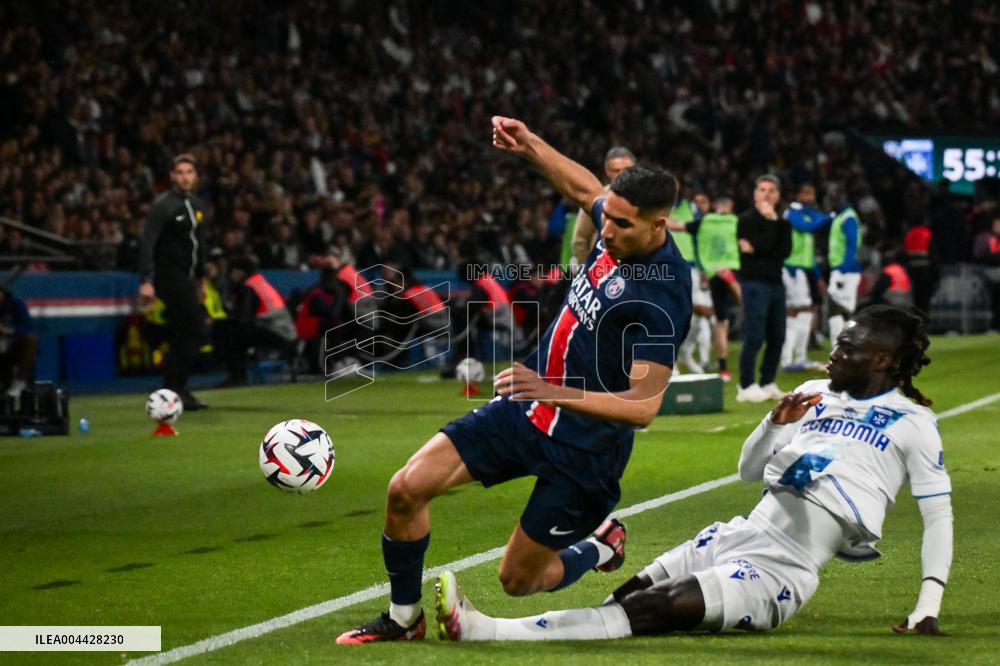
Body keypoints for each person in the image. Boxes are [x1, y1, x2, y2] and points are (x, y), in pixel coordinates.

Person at [336, 116, 692, 644]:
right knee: (405, 490)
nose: (606, 229)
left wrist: (553, 389)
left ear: (659, 224)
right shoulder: (613, 224)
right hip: (525, 409)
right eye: (606, 218)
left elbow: (643, 407)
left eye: (621, 224)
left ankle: (599, 545)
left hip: (584, 452)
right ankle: (403, 618)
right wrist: (529, 145)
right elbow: (582, 187)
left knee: (518, 580)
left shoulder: (661, 295)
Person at [436, 305, 952, 642]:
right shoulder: (814, 402)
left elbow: (938, 518)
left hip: (784, 569)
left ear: (882, 359)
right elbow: (749, 470)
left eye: (848, 347)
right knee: (624, 602)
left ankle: (487, 630)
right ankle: (596, 553)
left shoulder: (914, 423)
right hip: (737, 534)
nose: (833, 354)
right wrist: (774, 423)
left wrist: (926, 605)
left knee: (653, 610)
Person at [138, 154, 210, 410]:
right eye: (179, 172)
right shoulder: (164, 205)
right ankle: (176, 389)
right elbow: (148, 241)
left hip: (188, 280)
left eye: (189, 172)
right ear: (172, 176)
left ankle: (172, 391)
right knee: (194, 330)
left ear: (195, 176)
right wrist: (146, 279)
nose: (185, 177)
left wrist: (201, 280)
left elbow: (200, 245)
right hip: (170, 278)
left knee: (184, 333)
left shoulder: (198, 205)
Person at [736, 175, 792, 402]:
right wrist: (770, 224)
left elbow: (784, 251)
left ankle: (767, 381)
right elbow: (768, 247)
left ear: (778, 196)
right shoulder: (746, 219)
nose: (766, 194)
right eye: (762, 190)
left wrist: (759, 247)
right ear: (754, 194)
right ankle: (746, 385)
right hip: (754, 283)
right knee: (755, 335)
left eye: (771, 190)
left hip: (776, 284)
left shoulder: (784, 223)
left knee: (778, 336)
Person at [216, 256, 297, 388]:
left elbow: (243, 319)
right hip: (286, 331)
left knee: (232, 335)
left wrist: (224, 319)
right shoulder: (261, 282)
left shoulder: (247, 287)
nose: (231, 277)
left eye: (232, 272)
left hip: (274, 330)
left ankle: (237, 376)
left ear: (239, 272)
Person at [781, 183, 830, 371]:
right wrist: (830, 217)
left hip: (803, 269)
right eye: (807, 194)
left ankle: (798, 356)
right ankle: (788, 359)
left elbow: (808, 255)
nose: (810, 198)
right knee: (798, 310)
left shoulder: (805, 213)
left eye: (813, 194)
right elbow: (809, 226)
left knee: (804, 311)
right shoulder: (792, 214)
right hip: (792, 269)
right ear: (798, 195)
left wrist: (817, 276)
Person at [569, 147, 637, 266]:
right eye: (617, 170)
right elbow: (580, 240)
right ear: (607, 171)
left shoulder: (646, 198)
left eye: (627, 170)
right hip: (603, 270)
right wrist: (588, 271)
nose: (622, 175)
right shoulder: (595, 198)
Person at [825, 183, 863, 342]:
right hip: (843, 269)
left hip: (845, 270)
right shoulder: (840, 216)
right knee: (844, 310)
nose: (830, 200)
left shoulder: (847, 217)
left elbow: (852, 243)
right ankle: (850, 347)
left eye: (833, 196)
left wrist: (843, 270)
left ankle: (840, 347)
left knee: (836, 309)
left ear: (841, 197)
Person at [0, 285, 37, 397]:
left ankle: (20, 380)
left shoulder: (15, 305)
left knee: (31, 339)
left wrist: (7, 329)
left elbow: (27, 327)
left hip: (13, 345)